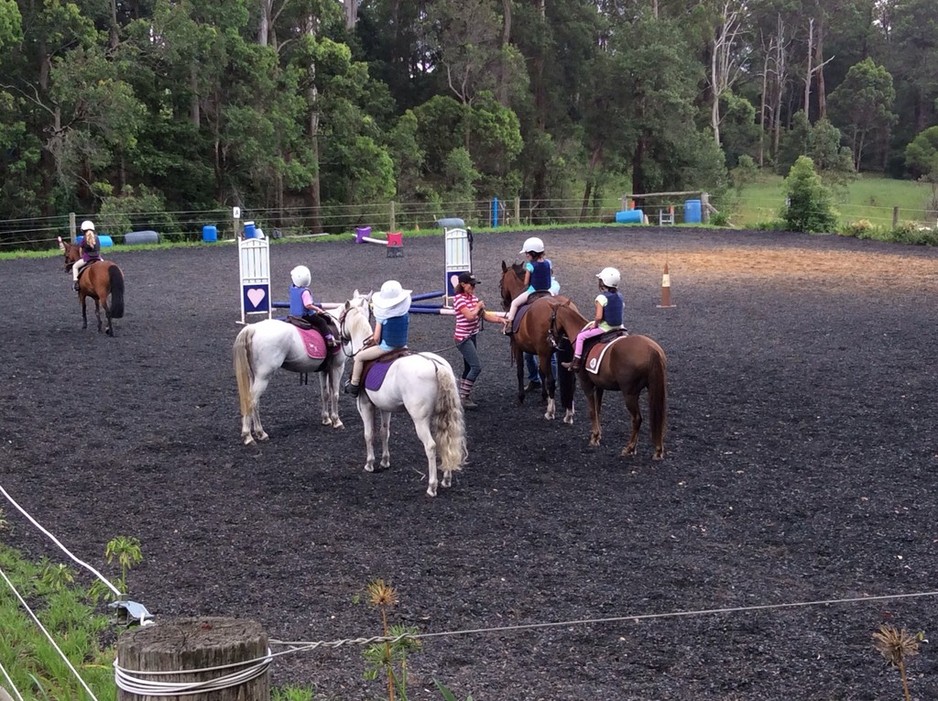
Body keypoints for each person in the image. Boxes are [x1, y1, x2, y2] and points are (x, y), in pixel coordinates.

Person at [345, 279, 412, 397]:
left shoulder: (382, 315)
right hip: (403, 346)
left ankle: (354, 385)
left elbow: (376, 338)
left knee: (360, 357)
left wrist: (371, 340)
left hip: (386, 348)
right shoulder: (404, 313)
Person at [452, 271, 504, 409]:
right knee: (476, 367)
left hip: (471, 336)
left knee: (468, 366)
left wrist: (501, 320)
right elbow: (470, 316)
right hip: (463, 338)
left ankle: (461, 395)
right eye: (471, 285)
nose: (473, 287)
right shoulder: (458, 299)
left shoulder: (473, 299)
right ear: (463, 284)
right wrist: (478, 307)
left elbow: (484, 316)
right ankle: (464, 397)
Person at [562, 267, 625, 372]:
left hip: (605, 328)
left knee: (581, 336)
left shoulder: (601, 298)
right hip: (620, 327)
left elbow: (599, 317)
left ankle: (576, 361)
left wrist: (595, 325)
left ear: (603, 282)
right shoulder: (620, 296)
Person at [503, 236, 552, 332]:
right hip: (547, 290)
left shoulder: (530, 266)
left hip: (533, 291)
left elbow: (525, 282)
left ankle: (509, 324)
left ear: (533, 253)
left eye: (527, 253)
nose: (526, 255)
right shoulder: (547, 263)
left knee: (514, 303)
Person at [289, 265, 337, 348]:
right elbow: (308, 305)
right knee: (322, 322)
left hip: (294, 315)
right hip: (306, 316)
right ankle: (329, 339)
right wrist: (318, 309)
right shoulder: (305, 292)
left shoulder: (293, 288)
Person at [72, 220, 102, 290]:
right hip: (98, 257)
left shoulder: (83, 239)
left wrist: (81, 256)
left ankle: (76, 284)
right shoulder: (97, 238)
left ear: (83, 230)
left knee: (75, 267)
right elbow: (99, 248)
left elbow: (81, 250)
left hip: (87, 258)